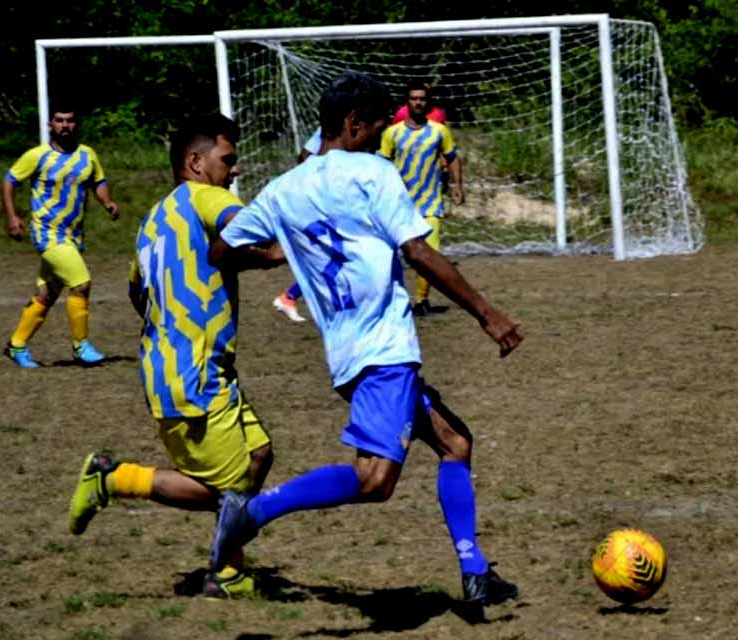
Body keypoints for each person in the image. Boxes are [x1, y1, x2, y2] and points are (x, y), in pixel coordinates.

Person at [208, 71, 524, 614]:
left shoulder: (284, 189)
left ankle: (476, 572)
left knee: (455, 443)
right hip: (384, 353)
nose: (382, 137)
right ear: (354, 124)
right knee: (375, 480)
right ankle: (253, 513)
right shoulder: (374, 171)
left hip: (351, 354)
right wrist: (487, 314)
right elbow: (418, 253)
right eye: (379, 126)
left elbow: (221, 249)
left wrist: (277, 254)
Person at [67, 113, 280, 598]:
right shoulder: (209, 197)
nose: (235, 169)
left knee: (259, 455)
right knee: (230, 492)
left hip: (174, 367)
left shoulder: (153, 221)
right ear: (195, 161)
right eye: (228, 160)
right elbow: (252, 233)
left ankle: (224, 563)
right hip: (195, 373)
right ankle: (117, 482)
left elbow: (136, 291)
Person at [1, 104, 119, 367]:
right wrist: (12, 217)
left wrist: (107, 201)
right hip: (47, 233)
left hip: (72, 235)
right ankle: (81, 346)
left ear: (77, 124)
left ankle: (16, 345)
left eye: (70, 120)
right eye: (59, 120)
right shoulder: (37, 156)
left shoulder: (88, 155)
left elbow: (98, 181)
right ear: (50, 125)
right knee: (81, 284)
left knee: (47, 294)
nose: (65, 125)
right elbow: (9, 181)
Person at [379, 81, 463, 317]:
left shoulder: (439, 131)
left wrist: (457, 186)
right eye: (414, 98)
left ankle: (421, 300)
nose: (418, 102)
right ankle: (390, 300)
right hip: (399, 204)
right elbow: (382, 165)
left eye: (422, 99)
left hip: (430, 203)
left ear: (428, 102)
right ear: (407, 102)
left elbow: (453, 157)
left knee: (430, 254)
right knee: (388, 256)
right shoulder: (391, 134)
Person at [270, 126, 322, 323]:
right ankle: (289, 296)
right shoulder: (331, 129)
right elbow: (304, 156)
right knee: (323, 259)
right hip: (321, 202)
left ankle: (289, 297)